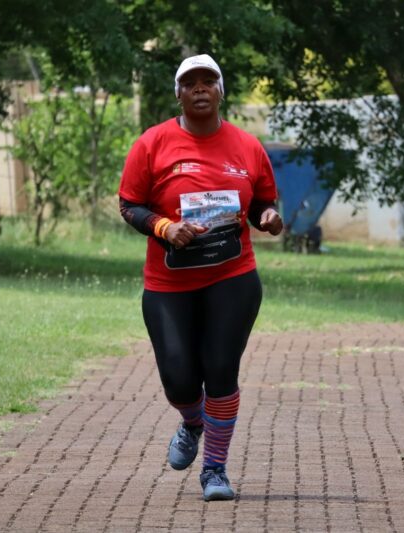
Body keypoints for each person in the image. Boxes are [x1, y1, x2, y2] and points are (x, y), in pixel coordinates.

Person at [117, 54, 283, 501]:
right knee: (180, 380)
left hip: (233, 277)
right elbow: (129, 204)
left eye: (209, 81)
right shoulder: (152, 144)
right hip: (169, 284)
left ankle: (215, 470)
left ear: (221, 90)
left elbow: (262, 201)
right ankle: (193, 422)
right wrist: (165, 228)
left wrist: (267, 216)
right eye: (190, 82)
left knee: (221, 371)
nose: (200, 88)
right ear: (179, 93)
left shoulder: (247, 146)